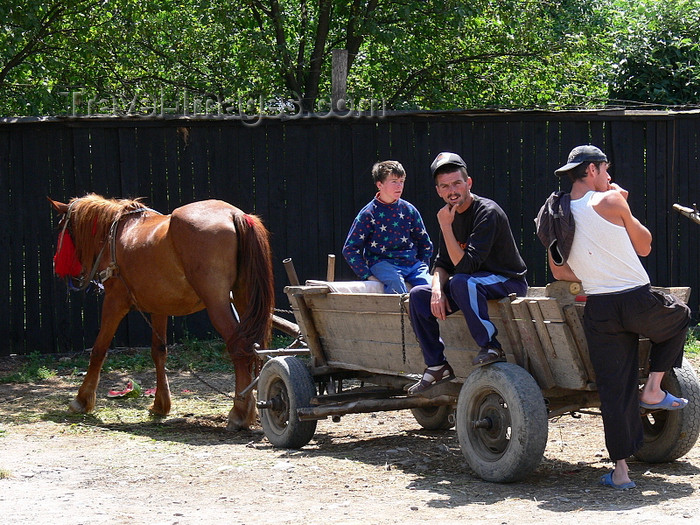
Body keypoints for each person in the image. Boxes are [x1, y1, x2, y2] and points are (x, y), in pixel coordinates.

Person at [549, 144, 691, 490]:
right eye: (606, 170)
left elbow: (559, 270)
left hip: (599, 308)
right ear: (592, 170)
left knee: (615, 390)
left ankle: (622, 472)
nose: (610, 177)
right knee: (681, 315)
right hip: (635, 299)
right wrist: (623, 204)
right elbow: (645, 246)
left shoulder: (557, 211)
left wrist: (594, 269)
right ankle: (654, 389)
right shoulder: (611, 200)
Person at [407, 152, 528, 395]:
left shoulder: (487, 212)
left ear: (468, 183)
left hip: (506, 280)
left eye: (457, 183)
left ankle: (491, 346)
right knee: (419, 295)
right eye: (445, 186)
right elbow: (442, 263)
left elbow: (465, 266)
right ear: (438, 191)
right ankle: (436, 365)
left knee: (463, 281)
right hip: (472, 283)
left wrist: (444, 227)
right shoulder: (449, 215)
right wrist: (437, 290)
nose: (452, 191)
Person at [342, 160, 433, 294]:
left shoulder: (409, 210)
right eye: (394, 181)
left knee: (430, 286)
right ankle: (399, 315)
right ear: (380, 184)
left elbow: (425, 243)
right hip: (382, 264)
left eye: (402, 181)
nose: (399, 186)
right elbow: (349, 249)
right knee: (396, 283)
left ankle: (430, 315)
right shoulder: (368, 213)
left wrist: (423, 265)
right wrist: (367, 275)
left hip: (412, 264)